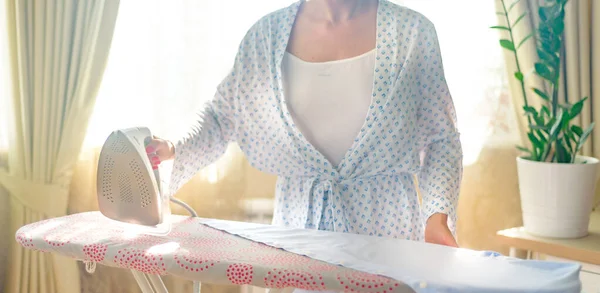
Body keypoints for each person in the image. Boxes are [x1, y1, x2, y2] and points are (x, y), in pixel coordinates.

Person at [145, 0, 463, 247]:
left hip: (390, 235)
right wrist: (175, 151)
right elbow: (220, 118)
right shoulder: (264, 37)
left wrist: (437, 215)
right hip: (297, 235)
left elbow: (441, 139)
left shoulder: (414, 33)